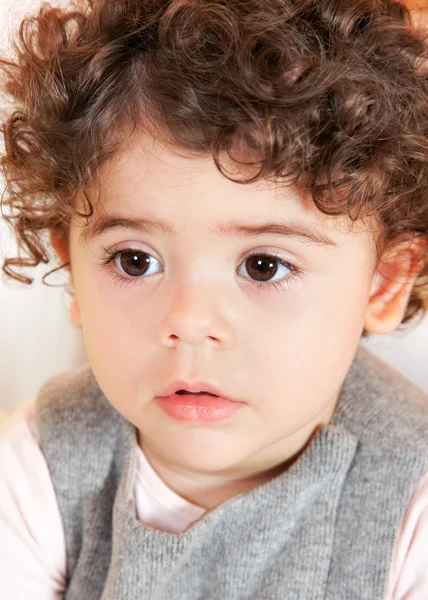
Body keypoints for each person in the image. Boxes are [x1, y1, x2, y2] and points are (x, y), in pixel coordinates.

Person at [1, 0, 428, 597]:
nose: (189, 322)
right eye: (135, 260)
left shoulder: (412, 501)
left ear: (381, 284)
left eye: (263, 266)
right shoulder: (36, 468)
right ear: (73, 269)